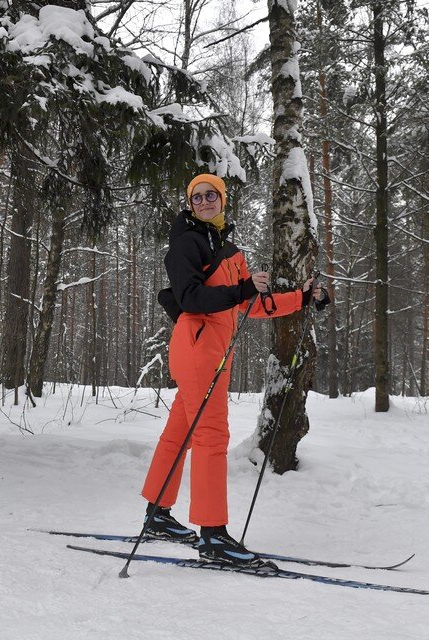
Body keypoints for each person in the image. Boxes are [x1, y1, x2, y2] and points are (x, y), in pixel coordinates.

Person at [141, 173, 329, 567]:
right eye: (198, 197)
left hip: (215, 352)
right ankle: (213, 536)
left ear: (222, 200)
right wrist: (242, 291)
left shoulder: (229, 250)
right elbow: (191, 298)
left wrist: (302, 298)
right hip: (196, 349)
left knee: (181, 432)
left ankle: (158, 514)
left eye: (212, 195)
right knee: (211, 435)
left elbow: (252, 304)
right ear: (190, 204)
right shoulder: (186, 244)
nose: (206, 201)